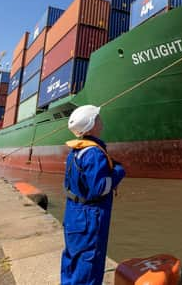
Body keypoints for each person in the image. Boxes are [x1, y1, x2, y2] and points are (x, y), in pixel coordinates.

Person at [61, 105, 126, 285]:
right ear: (92, 124)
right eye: (97, 117)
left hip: (73, 213)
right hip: (90, 217)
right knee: (89, 265)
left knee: (72, 259)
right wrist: (118, 172)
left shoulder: (76, 152)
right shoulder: (94, 153)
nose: (101, 120)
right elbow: (100, 188)